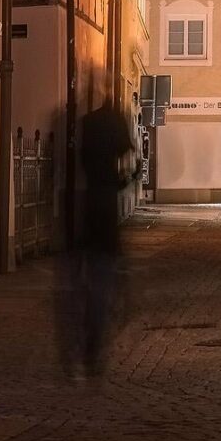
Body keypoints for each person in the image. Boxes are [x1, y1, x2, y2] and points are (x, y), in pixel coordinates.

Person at [75, 71, 137, 376]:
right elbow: (128, 154)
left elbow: (81, 159)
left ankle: (87, 331)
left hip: (86, 203)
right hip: (107, 206)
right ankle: (95, 338)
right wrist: (127, 177)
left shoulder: (87, 122)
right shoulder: (116, 121)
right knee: (104, 274)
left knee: (87, 274)